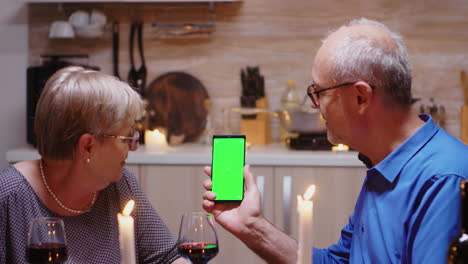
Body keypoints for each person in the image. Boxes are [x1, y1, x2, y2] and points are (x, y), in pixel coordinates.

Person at [202, 18, 468, 263]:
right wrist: (252, 227)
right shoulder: (384, 163)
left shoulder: (444, 181)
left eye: (319, 92)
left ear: (360, 97)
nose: (314, 105)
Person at [0, 66, 188, 263]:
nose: (133, 147)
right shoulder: (9, 195)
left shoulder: (118, 183)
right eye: (126, 138)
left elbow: (167, 257)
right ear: (88, 146)